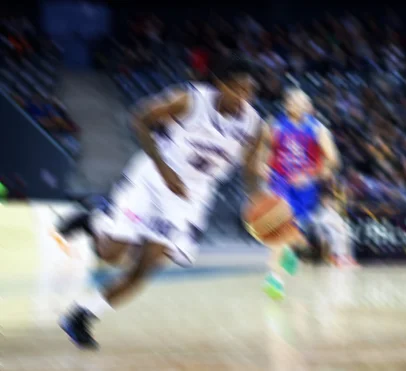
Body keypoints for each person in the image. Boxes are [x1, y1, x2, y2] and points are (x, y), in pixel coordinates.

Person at [57, 55, 266, 349]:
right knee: (111, 253)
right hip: (153, 179)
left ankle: (83, 315)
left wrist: (257, 199)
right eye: (238, 89)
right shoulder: (188, 100)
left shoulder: (254, 125)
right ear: (220, 85)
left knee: (147, 265)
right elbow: (140, 118)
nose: (245, 97)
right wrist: (164, 169)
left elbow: (251, 168)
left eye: (250, 91)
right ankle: (94, 219)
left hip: (190, 196)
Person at [257, 88, 340, 300]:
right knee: (279, 230)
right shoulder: (274, 126)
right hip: (280, 183)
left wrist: (310, 176)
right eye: (292, 101)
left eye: (301, 102)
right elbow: (263, 153)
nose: (296, 105)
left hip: (305, 187)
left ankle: (290, 253)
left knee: (296, 232)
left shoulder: (318, 129)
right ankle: (274, 279)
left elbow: (333, 161)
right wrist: (262, 166)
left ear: (308, 107)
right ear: (286, 104)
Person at [315, 177, 358, 267]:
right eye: (325, 200)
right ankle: (335, 256)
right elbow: (321, 222)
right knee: (334, 234)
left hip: (336, 228)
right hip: (325, 230)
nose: (327, 202)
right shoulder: (320, 210)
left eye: (329, 200)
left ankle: (347, 256)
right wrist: (335, 226)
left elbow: (339, 220)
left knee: (348, 234)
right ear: (322, 200)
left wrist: (342, 226)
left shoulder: (333, 210)